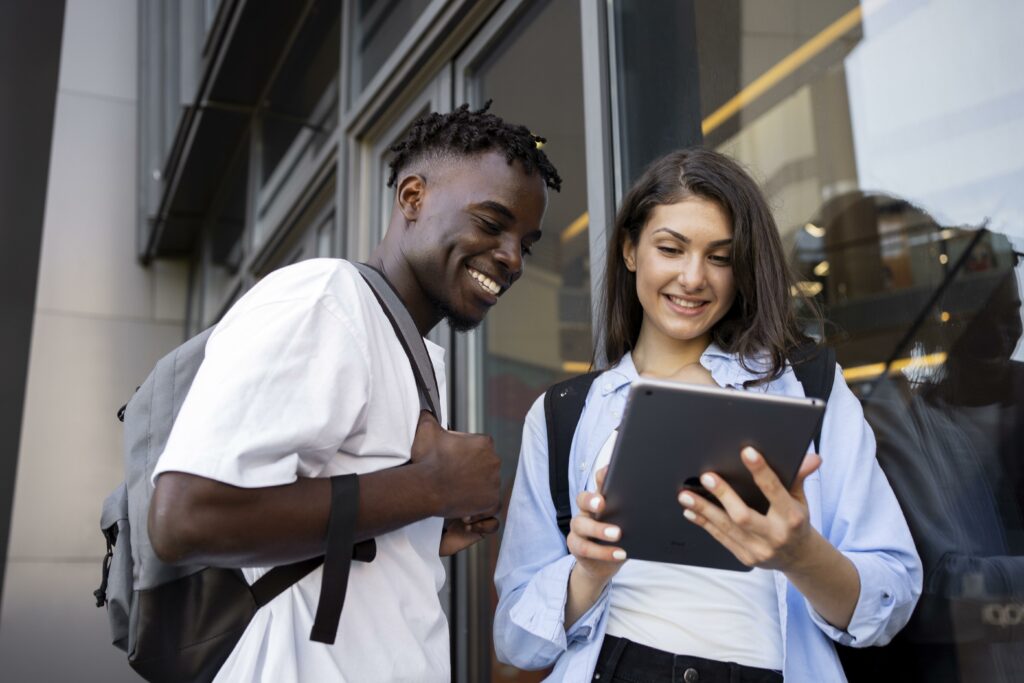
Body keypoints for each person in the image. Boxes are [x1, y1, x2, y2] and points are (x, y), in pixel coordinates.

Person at [147, 103, 561, 682]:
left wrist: (420, 527)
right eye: (491, 224)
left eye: (527, 242)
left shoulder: (398, 340)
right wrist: (429, 487)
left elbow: (331, 524)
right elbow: (184, 517)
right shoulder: (326, 300)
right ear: (412, 197)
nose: (512, 258)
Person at [493, 148, 922, 682]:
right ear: (630, 250)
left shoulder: (806, 384)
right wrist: (588, 573)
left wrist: (800, 554)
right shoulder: (564, 414)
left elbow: (893, 596)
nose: (693, 278)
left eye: (720, 257)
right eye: (670, 248)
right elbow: (514, 641)